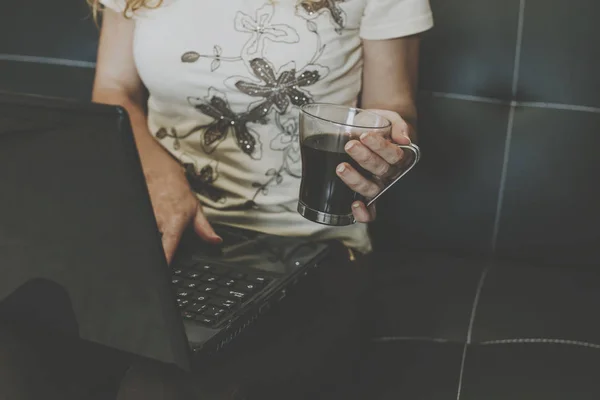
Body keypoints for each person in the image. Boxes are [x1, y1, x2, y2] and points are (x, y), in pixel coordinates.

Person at [0, 0, 433, 399]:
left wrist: (385, 152)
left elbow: (395, 109)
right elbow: (114, 88)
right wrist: (163, 176)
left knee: (158, 390)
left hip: (308, 249)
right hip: (165, 237)